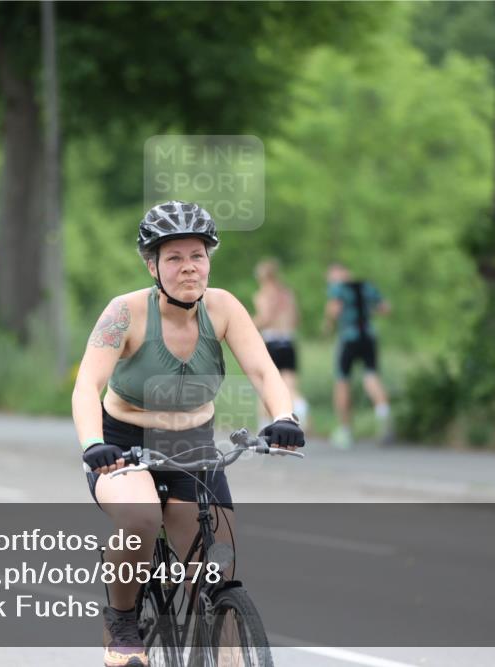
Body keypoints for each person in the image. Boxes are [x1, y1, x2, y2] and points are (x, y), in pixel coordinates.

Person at [71, 200, 306, 667]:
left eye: (197, 255)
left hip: (193, 445)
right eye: (174, 258)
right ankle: (121, 618)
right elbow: (87, 385)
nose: (188, 268)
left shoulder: (223, 309)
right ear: (152, 264)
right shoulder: (125, 313)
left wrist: (285, 417)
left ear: (209, 260)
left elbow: (263, 371)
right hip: (123, 444)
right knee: (139, 519)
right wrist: (93, 445)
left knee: (219, 570)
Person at [323, 263, 391, 448]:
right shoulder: (366, 286)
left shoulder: (337, 288)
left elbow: (334, 310)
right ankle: (384, 417)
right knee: (371, 376)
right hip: (368, 336)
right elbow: (385, 308)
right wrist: (367, 312)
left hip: (349, 337)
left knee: (342, 381)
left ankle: (345, 430)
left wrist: (329, 322)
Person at [252, 258, 309, 429]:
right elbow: (296, 318)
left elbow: (266, 317)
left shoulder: (263, 295)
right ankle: (300, 406)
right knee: (289, 385)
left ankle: (264, 426)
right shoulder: (287, 294)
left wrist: (247, 325)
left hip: (271, 342)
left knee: (265, 385)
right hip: (288, 341)